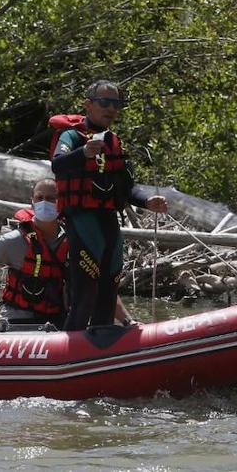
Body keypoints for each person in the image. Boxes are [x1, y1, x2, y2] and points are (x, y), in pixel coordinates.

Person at [51, 79, 166, 330]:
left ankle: (102, 340)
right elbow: (57, 165)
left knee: (110, 284)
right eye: (105, 102)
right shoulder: (71, 136)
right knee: (86, 291)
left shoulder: (113, 141)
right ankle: (72, 346)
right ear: (88, 105)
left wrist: (147, 201)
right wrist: (83, 153)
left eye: (116, 104)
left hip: (108, 222)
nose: (111, 109)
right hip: (81, 219)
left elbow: (127, 187)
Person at [0, 178, 132, 327]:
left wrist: (127, 320)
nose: (45, 202)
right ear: (32, 201)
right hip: (17, 322)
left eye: (52, 198)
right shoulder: (13, 241)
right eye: (40, 198)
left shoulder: (74, 243)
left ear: (61, 201)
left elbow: (98, 285)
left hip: (56, 321)